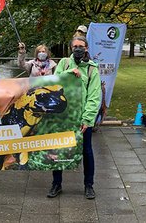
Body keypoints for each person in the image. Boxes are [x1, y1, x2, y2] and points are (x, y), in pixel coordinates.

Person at [46, 36, 101, 200]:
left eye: (81, 46)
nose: (78, 49)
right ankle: (56, 183)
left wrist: (87, 119)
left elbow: (94, 96)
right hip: (64, 116)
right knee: (59, 149)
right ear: (71, 48)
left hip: (83, 119)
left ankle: (89, 185)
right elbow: (54, 82)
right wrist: (69, 73)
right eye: (75, 46)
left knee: (87, 151)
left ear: (86, 48)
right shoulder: (64, 63)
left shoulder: (92, 69)